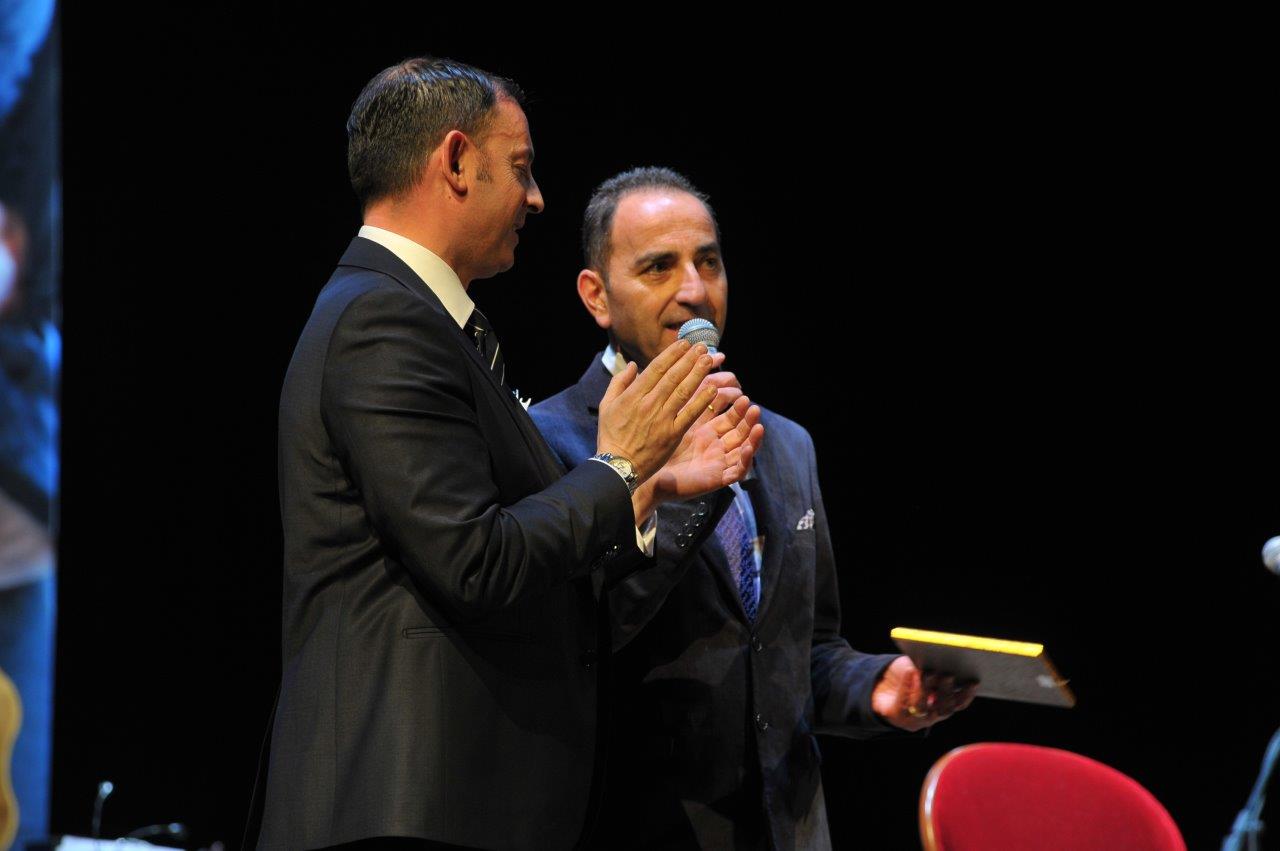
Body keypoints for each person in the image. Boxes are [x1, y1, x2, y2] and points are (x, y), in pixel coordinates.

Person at [257, 62, 761, 851]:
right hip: (409, 808)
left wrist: (649, 484)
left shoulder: (415, 318)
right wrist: (618, 467)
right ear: (457, 161)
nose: (536, 198)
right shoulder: (383, 321)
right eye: (521, 168)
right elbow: (477, 560)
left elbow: (516, 566)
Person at [530, 167, 976, 850]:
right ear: (597, 296)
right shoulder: (551, 443)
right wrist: (686, 492)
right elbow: (572, 649)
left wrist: (879, 687)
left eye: (708, 262)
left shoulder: (785, 444)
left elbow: (804, 653)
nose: (694, 290)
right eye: (658, 267)